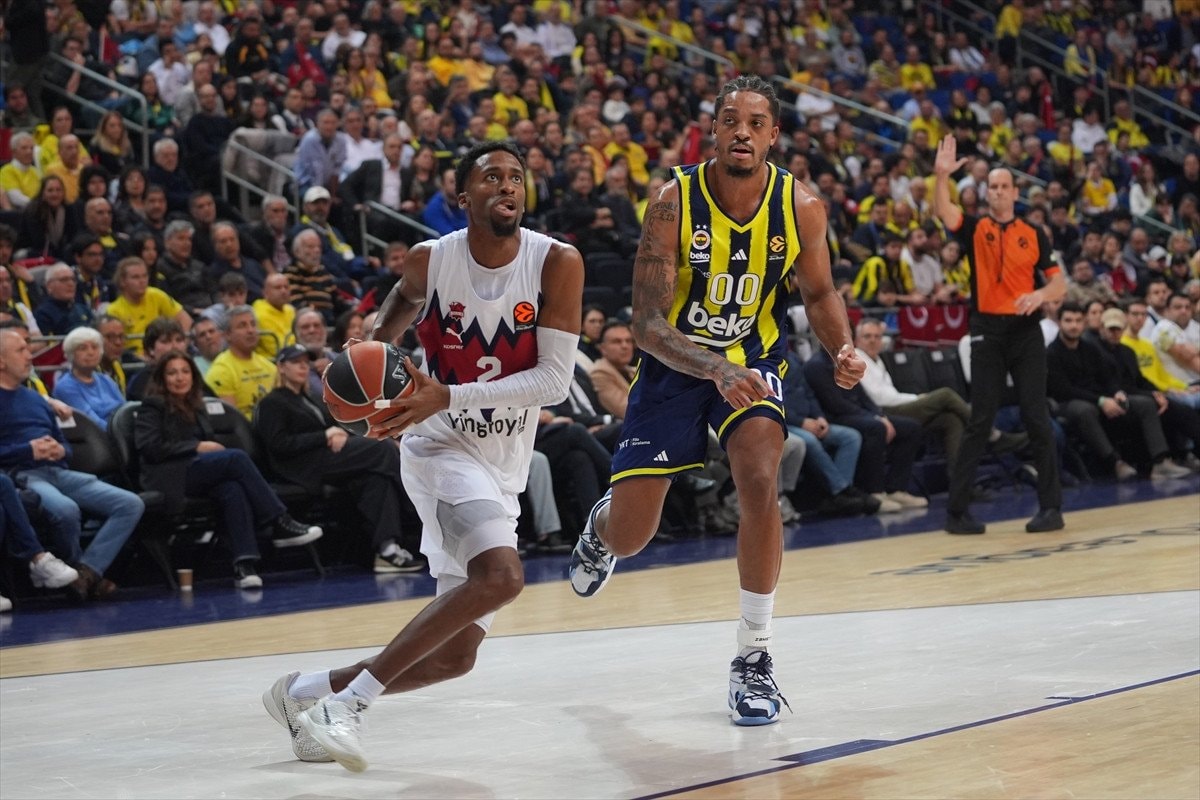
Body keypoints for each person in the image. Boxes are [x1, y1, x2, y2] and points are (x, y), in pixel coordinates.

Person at [264, 141, 584, 772]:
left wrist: (447, 391)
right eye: (491, 177)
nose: (507, 185)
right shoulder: (431, 259)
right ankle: (346, 707)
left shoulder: (556, 261)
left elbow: (553, 381)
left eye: (516, 177)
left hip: (503, 460)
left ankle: (303, 691)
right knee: (503, 578)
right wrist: (375, 361)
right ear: (462, 197)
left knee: (453, 659)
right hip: (439, 445)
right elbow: (398, 307)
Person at [567, 76, 866, 726]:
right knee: (632, 535)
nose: (742, 132)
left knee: (759, 478)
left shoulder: (802, 207)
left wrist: (842, 347)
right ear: (712, 129)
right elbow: (646, 323)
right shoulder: (672, 201)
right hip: (675, 362)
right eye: (730, 120)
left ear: (773, 135)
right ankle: (602, 527)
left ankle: (754, 656)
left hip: (753, 357)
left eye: (756, 123)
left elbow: (819, 294)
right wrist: (712, 369)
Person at [932, 134, 1066, 536]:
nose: (998, 192)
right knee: (981, 418)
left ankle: (1051, 508)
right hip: (987, 330)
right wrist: (941, 177)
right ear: (986, 192)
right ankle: (957, 513)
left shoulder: (1034, 233)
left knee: (1036, 415)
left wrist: (1039, 295)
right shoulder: (975, 227)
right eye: (992, 186)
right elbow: (944, 211)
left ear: (1015, 192)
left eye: (1004, 186)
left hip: (1026, 331)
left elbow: (1059, 285)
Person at [134, 350, 323, 589]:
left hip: (196, 471)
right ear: (162, 378)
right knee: (235, 458)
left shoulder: (196, 404)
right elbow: (149, 448)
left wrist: (203, 449)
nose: (180, 378)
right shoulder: (152, 406)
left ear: (193, 376)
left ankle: (244, 565)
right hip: (169, 476)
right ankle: (279, 521)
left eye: (185, 372)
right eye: (172, 373)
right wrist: (196, 446)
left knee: (232, 488)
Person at [0, 328, 143, 600]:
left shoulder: (36, 399)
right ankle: (74, 575)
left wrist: (59, 450)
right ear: (1, 361)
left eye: (28, 348)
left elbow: (65, 445)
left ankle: (85, 572)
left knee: (130, 504)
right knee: (66, 510)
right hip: (21, 476)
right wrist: (28, 450)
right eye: (21, 350)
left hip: (57, 471)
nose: (30, 355)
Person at [254, 345, 422, 574]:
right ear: (281, 367)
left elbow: (335, 427)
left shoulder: (311, 398)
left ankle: (388, 550)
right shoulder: (272, 402)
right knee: (381, 448)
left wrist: (338, 432)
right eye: (295, 362)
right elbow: (278, 444)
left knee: (375, 478)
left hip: (327, 459)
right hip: (300, 466)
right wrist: (324, 436)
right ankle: (418, 514)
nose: (303, 366)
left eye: (305, 362)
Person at [205, 305, 277, 419]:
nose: (250, 330)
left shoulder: (269, 366)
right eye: (242, 326)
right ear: (227, 335)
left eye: (253, 324)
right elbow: (230, 420)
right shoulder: (222, 370)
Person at [52, 327, 125, 431]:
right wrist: (121, 433)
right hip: (96, 437)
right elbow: (92, 423)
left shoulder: (106, 380)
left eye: (95, 347)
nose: (90, 352)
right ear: (71, 354)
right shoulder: (65, 386)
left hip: (120, 432)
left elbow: (125, 409)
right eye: (83, 348)